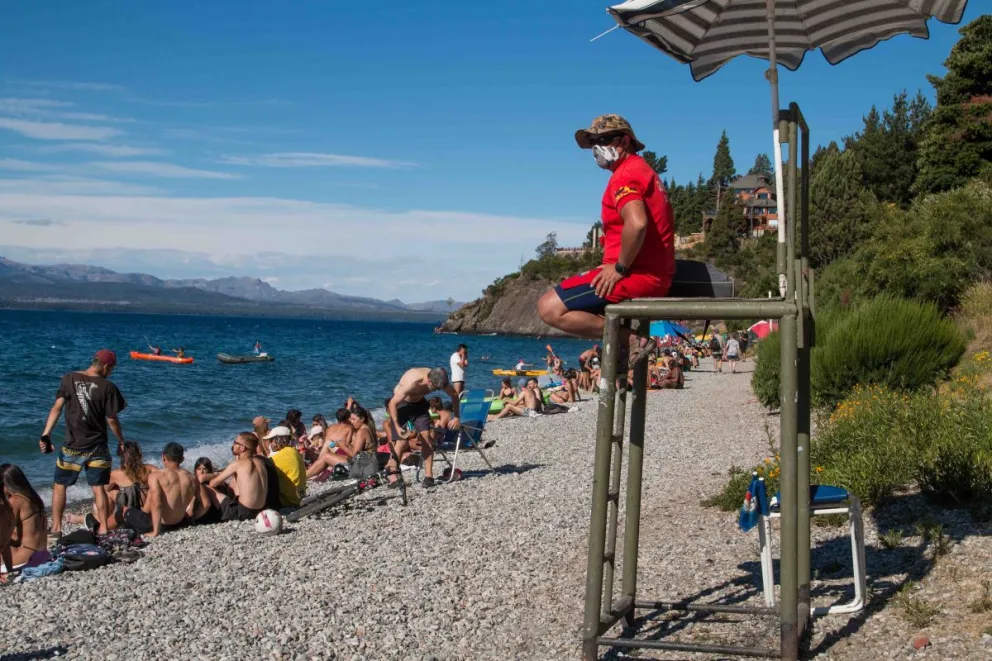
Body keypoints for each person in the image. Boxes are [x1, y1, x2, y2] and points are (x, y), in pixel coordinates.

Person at [537, 115, 675, 369]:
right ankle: (625, 344)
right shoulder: (641, 170)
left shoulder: (626, 174)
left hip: (637, 276)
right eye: (593, 143)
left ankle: (631, 339)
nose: (596, 148)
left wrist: (619, 267)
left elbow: (638, 223)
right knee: (582, 301)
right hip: (650, 274)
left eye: (602, 140)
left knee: (549, 307)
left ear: (624, 141)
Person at [40, 349, 126, 537]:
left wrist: (46, 434)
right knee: (99, 488)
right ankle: (103, 528)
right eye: (111, 368)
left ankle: (56, 529)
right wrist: (121, 441)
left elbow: (56, 408)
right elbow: (111, 419)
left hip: (72, 446)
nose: (111, 372)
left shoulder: (69, 378)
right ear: (105, 366)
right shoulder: (108, 387)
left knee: (60, 486)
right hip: (98, 447)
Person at [384, 367, 461, 489]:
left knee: (426, 437)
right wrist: (397, 426)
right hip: (402, 404)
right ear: (429, 381)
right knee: (401, 442)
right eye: (436, 388)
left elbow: (454, 394)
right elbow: (392, 403)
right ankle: (392, 476)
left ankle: (428, 476)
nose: (437, 390)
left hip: (419, 404)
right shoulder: (413, 382)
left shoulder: (439, 379)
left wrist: (456, 417)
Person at [121, 443, 195, 538]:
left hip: (162, 525)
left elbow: (157, 504)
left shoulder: (156, 476)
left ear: (163, 457)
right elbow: (203, 502)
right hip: (180, 522)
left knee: (128, 511)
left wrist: (155, 532)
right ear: (182, 459)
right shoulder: (192, 478)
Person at [194, 433, 268, 524]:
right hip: (260, 511)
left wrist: (213, 474)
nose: (233, 445)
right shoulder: (260, 463)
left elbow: (213, 483)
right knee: (234, 481)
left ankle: (195, 517)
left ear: (242, 448)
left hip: (242, 513)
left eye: (235, 442)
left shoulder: (238, 464)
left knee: (206, 487)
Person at [0, 465, 50, 570]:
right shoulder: (34, 498)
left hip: (24, 558)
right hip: (42, 555)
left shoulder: (15, 501)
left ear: (6, 484)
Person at [265, 428, 306, 508]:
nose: (270, 444)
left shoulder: (282, 456)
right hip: (298, 497)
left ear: (279, 440)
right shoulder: (294, 452)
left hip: (287, 501)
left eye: (271, 441)